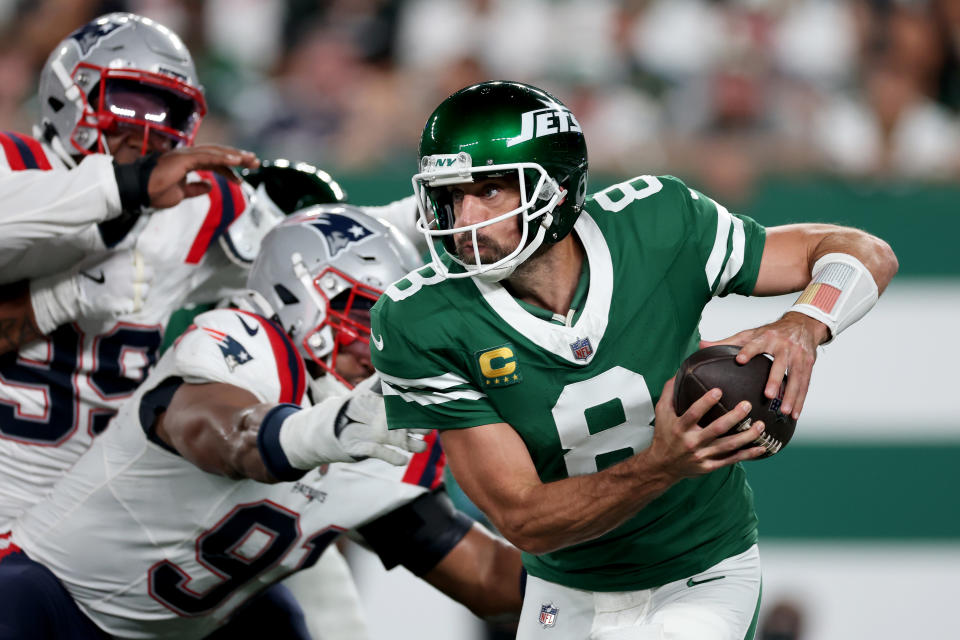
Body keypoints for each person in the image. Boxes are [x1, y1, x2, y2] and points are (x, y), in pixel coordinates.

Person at [370, 81, 899, 640]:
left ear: (555, 188)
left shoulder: (657, 224)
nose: (464, 215)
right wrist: (663, 463)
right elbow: (523, 518)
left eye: (491, 190)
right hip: (563, 591)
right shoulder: (419, 319)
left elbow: (865, 251)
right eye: (451, 194)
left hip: (701, 572)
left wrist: (803, 324)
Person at [0, 206, 524, 640]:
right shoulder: (245, 342)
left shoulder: (382, 436)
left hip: (186, 630)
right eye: (365, 315)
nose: (380, 344)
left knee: (274, 624)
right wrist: (331, 432)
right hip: (51, 601)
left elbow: (488, 581)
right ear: (299, 296)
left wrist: (601, 557)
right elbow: (223, 437)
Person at [0, 12, 265, 530]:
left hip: (98, 517)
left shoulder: (193, 207)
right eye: (129, 102)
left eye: (170, 112)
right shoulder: (14, 168)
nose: (149, 129)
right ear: (69, 94)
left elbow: (303, 271)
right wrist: (63, 296)